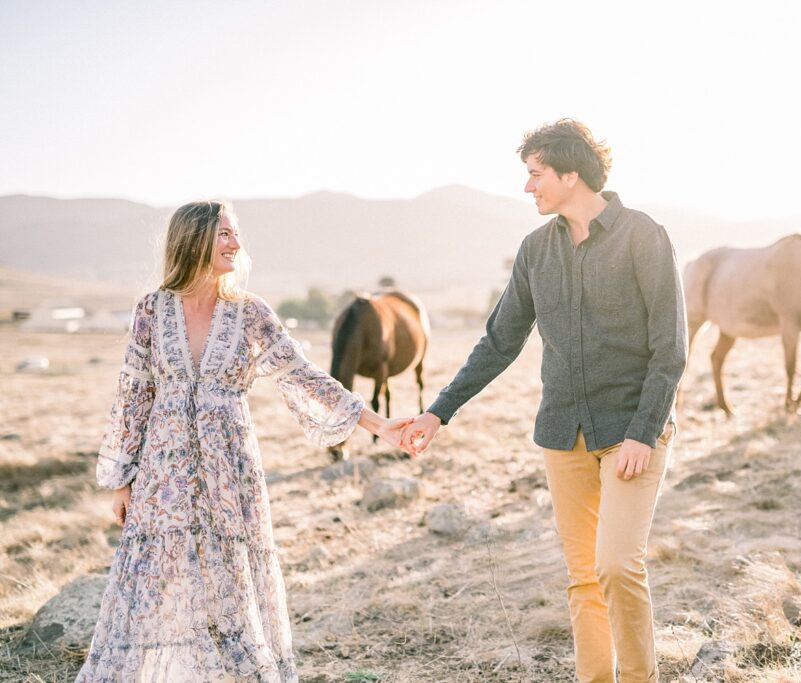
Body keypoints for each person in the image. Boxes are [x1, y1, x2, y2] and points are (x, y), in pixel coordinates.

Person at [401, 120, 687, 683]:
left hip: (632, 431)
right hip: (563, 435)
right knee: (583, 577)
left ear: (570, 173)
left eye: (535, 174)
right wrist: (439, 410)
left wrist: (643, 432)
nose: (528, 187)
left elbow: (670, 348)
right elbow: (500, 341)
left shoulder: (643, 236)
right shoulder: (535, 251)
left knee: (618, 567)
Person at [77, 200, 411, 682]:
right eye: (225, 235)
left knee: (230, 580)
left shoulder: (251, 312)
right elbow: (134, 394)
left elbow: (302, 375)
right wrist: (121, 479)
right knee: (154, 580)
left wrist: (377, 424)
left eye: (236, 234)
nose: (236, 244)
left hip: (229, 468)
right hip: (161, 472)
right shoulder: (151, 309)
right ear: (193, 240)